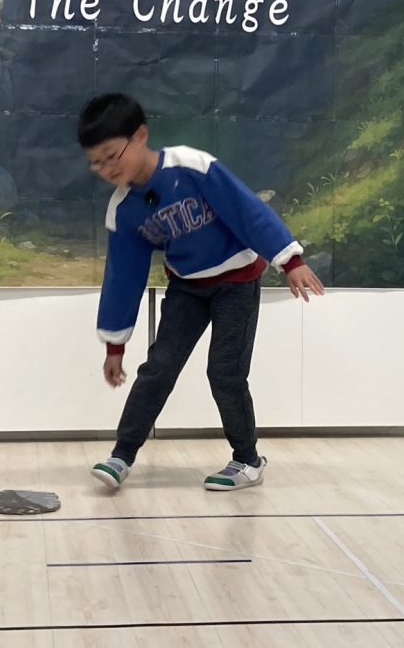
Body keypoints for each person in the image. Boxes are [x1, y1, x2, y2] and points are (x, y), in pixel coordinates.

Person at [79, 93, 325, 491]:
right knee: (159, 368)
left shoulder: (191, 166)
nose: (106, 168)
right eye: (96, 162)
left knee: (225, 373)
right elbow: (123, 278)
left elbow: (247, 210)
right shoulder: (124, 210)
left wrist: (290, 260)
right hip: (187, 289)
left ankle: (248, 460)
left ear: (140, 136)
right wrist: (115, 346)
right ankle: (122, 455)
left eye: (111, 155)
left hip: (237, 282)